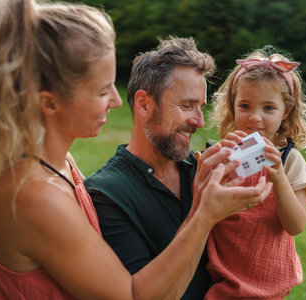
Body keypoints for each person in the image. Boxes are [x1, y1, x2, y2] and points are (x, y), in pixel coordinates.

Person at [0, 1, 272, 299]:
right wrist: (204, 215)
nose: (118, 102)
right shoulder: (35, 195)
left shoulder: (55, 162)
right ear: (49, 102)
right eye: (103, 91)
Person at [84, 37, 273, 300]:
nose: (198, 121)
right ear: (144, 104)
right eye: (186, 106)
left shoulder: (203, 169)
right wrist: (203, 215)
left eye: (201, 108)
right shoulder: (106, 194)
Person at [204, 46, 306, 299]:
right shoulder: (220, 154)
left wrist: (278, 176)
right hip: (221, 280)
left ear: (285, 112)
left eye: (269, 108)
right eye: (245, 105)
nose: (255, 118)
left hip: (270, 284)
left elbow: (296, 225)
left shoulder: (290, 161)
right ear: (232, 107)